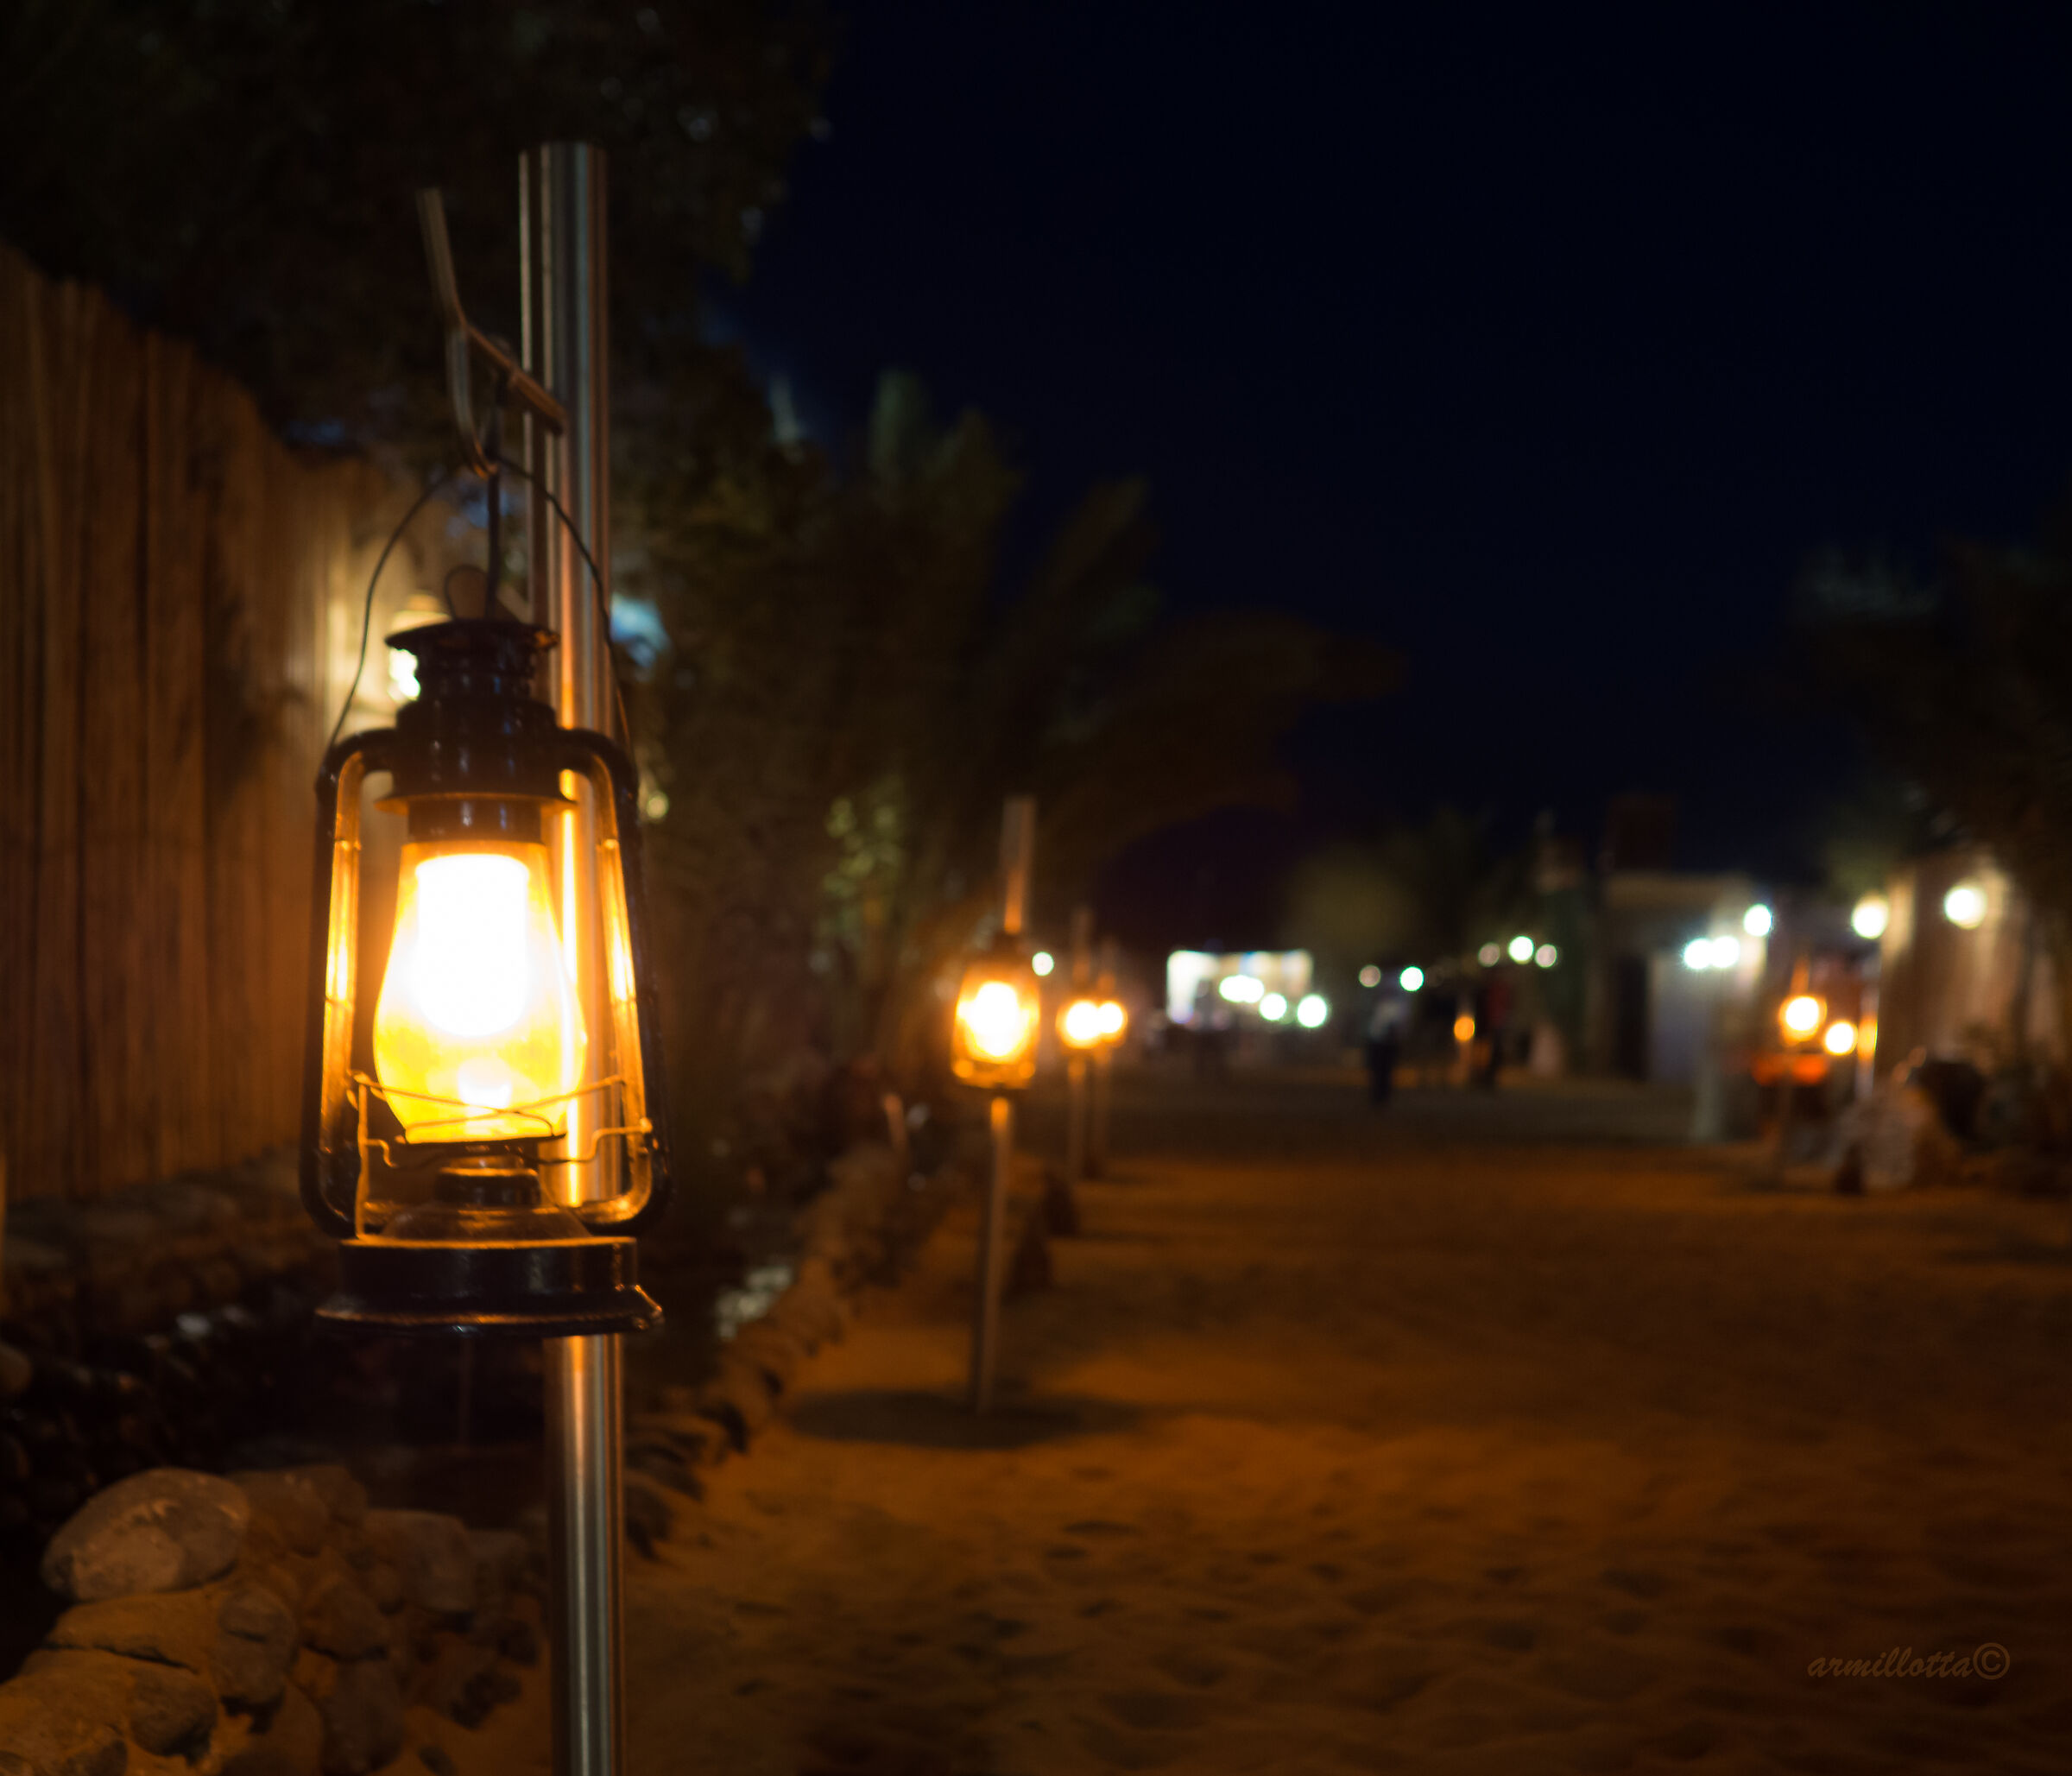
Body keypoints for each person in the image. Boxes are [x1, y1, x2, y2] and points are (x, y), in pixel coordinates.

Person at [1364, 994, 1405, 1105]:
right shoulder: (1373, 1006)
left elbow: (1397, 1026)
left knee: (1385, 1071)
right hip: (1377, 1042)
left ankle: (1382, 1097)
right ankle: (1377, 1096)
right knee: (1377, 1071)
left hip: (1387, 1044)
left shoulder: (1395, 1006)